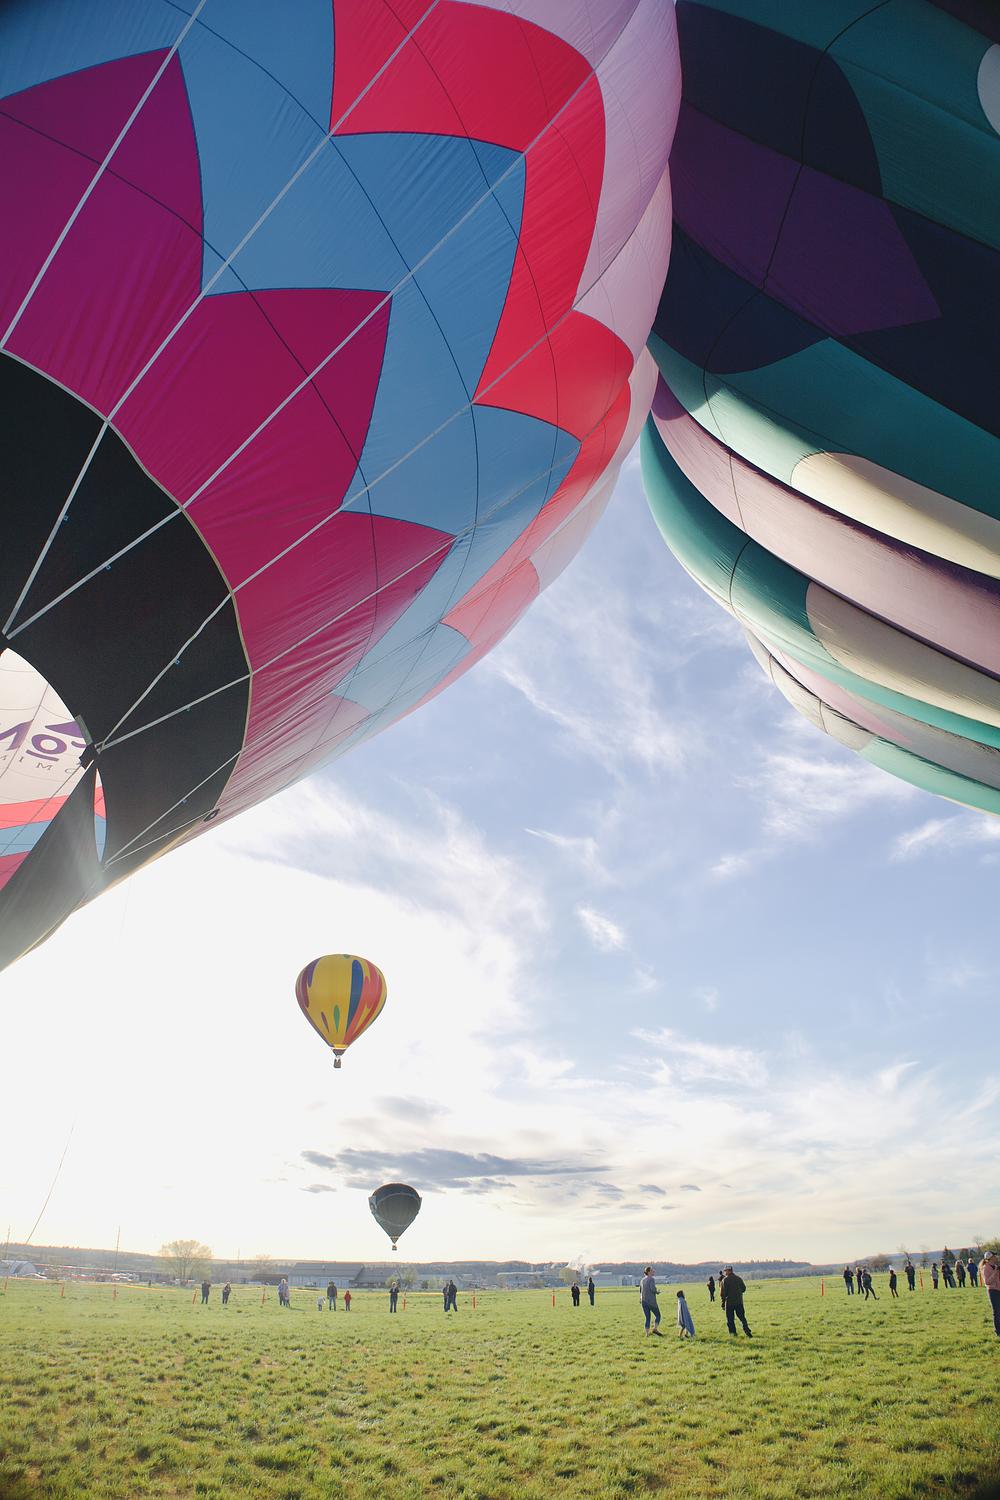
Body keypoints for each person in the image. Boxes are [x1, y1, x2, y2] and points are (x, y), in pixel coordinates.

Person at [720, 1266, 752, 1337]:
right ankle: (747, 1330)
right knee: (742, 1318)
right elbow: (744, 1289)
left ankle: (733, 1333)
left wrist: (723, 1303)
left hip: (729, 1303)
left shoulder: (724, 1280)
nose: (725, 1272)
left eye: (726, 1271)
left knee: (730, 1319)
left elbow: (722, 1294)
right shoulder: (738, 1278)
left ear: (729, 1271)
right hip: (739, 1302)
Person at [981, 1250, 1000, 1338]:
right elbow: (987, 1282)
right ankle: (998, 1331)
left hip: (999, 1289)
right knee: (997, 1311)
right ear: (991, 1258)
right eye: (994, 1256)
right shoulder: (986, 1268)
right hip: (993, 1291)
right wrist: (995, 1272)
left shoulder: (996, 1266)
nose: (996, 1257)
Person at [639, 1266, 661, 1336]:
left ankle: (647, 1334)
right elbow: (653, 1289)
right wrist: (657, 1292)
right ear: (648, 1272)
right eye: (652, 1270)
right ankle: (655, 1329)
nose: (653, 1271)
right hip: (651, 1302)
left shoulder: (642, 1280)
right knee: (658, 1315)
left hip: (643, 1301)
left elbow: (640, 1291)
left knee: (647, 1318)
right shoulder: (651, 1279)